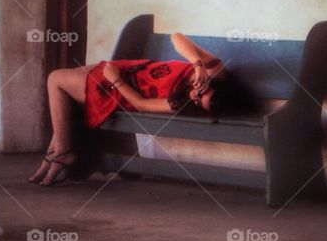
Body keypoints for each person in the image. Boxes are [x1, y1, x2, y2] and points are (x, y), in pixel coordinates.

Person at [29, 32, 229, 186]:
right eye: (202, 93)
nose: (195, 96)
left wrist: (115, 78)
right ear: (214, 84)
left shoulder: (180, 103)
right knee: (70, 81)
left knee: (56, 79)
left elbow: (141, 104)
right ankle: (55, 153)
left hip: (120, 88)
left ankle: (62, 152)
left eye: (197, 103)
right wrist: (198, 65)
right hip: (133, 68)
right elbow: (176, 36)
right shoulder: (215, 72)